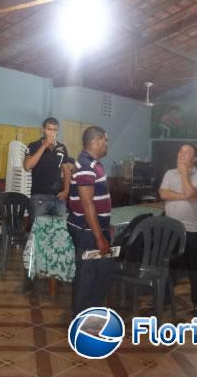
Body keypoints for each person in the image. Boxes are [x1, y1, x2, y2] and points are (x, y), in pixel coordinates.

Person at [66, 126, 114, 316]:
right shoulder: (86, 165)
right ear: (97, 141)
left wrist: (104, 227)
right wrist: (100, 237)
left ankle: (92, 315)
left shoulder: (93, 164)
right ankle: (82, 320)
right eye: (106, 140)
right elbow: (87, 205)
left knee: (101, 273)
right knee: (87, 276)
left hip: (94, 229)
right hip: (88, 232)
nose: (107, 144)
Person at [159, 143, 197, 319]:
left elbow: (190, 191)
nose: (182, 154)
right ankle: (164, 300)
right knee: (168, 266)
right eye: (180, 151)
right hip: (171, 228)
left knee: (194, 268)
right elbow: (163, 194)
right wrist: (186, 195)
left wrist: (183, 173)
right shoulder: (168, 173)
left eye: (187, 152)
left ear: (195, 158)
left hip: (192, 229)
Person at [24, 117, 72, 216]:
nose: (52, 133)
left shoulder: (62, 148)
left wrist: (66, 191)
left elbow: (67, 170)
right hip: (38, 197)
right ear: (43, 130)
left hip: (58, 197)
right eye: (49, 129)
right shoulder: (33, 145)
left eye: (55, 130)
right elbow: (27, 166)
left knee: (58, 229)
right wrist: (44, 146)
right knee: (38, 229)